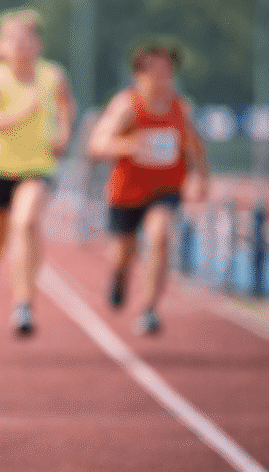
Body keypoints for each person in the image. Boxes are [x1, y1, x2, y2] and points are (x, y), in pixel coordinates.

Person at [0, 9, 76, 336]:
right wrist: (19, 113)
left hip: (38, 167)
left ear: (38, 44)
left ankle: (23, 304)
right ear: (2, 46)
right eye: (14, 40)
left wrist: (63, 134)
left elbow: (67, 107)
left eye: (27, 40)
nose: (21, 46)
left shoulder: (52, 76)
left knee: (26, 223)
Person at [87, 41, 208, 335]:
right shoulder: (126, 106)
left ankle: (149, 309)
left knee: (160, 236)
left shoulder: (180, 108)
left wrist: (201, 178)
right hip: (126, 191)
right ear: (138, 76)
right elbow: (97, 144)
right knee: (124, 253)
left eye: (167, 73)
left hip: (165, 189)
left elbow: (195, 145)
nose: (162, 80)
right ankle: (120, 275)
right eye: (155, 73)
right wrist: (129, 145)